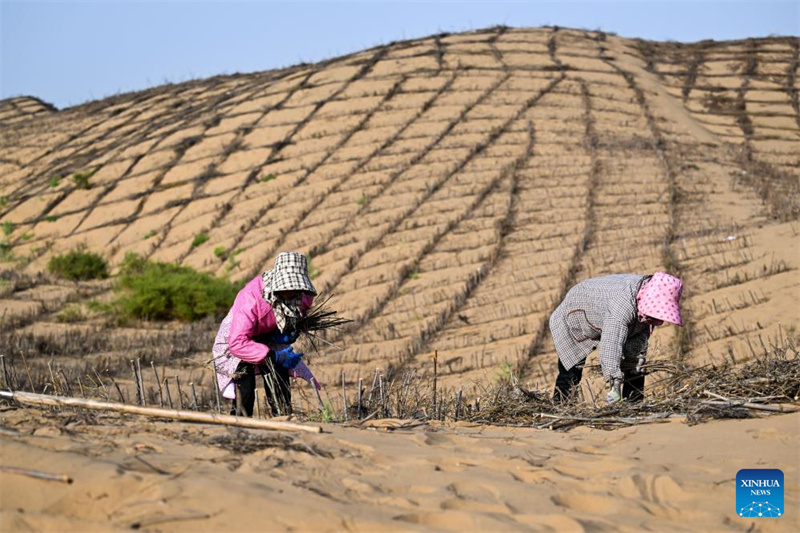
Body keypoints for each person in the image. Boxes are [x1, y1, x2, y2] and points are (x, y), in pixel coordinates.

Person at [213, 251, 320, 417]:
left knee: (279, 379)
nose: (290, 292)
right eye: (286, 288)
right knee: (245, 386)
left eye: (295, 288)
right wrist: (272, 356)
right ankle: (239, 425)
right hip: (238, 342)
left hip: (269, 337)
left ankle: (283, 417)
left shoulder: (303, 296)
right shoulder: (250, 298)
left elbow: (299, 317)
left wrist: (290, 332)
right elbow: (237, 343)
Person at [549, 271, 684, 404]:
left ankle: (633, 405)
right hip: (575, 314)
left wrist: (636, 362)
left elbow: (638, 349)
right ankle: (561, 405)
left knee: (635, 365)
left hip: (603, 310)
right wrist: (614, 385)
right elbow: (610, 347)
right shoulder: (622, 305)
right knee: (571, 371)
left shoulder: (646, 304)